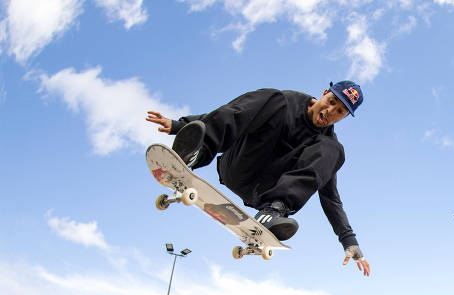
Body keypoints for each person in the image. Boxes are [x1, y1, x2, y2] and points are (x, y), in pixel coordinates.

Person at [145, 81, 370, 276]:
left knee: (334, 150)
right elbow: (235, 112)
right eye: (331, 102)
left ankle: (274, 211)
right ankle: (198, 151)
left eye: (339, 112)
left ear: (344, 117)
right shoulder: (285, 102)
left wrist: (349, 240)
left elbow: (331, 198)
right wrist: (180, 126)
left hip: (265, 193)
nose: (330, 112)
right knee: (273, 98)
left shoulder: (327, 145)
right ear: (324, 94)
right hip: (239, 165)